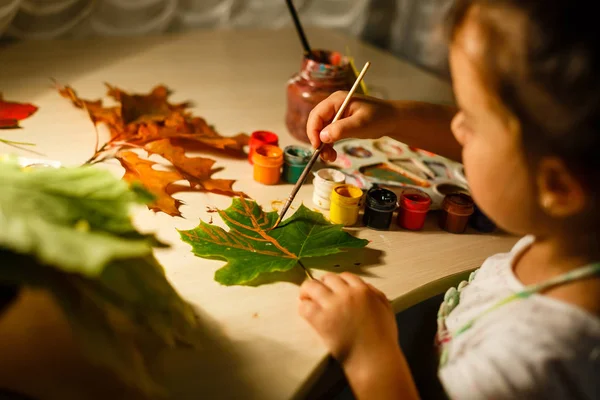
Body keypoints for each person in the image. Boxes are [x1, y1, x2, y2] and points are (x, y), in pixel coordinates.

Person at [298, 0, 600, 398]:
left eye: (471, 121)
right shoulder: (574, 233)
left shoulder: (530, 363)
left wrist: (368, 354)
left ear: (558, 187)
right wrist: (395, 118)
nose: (455, 123)